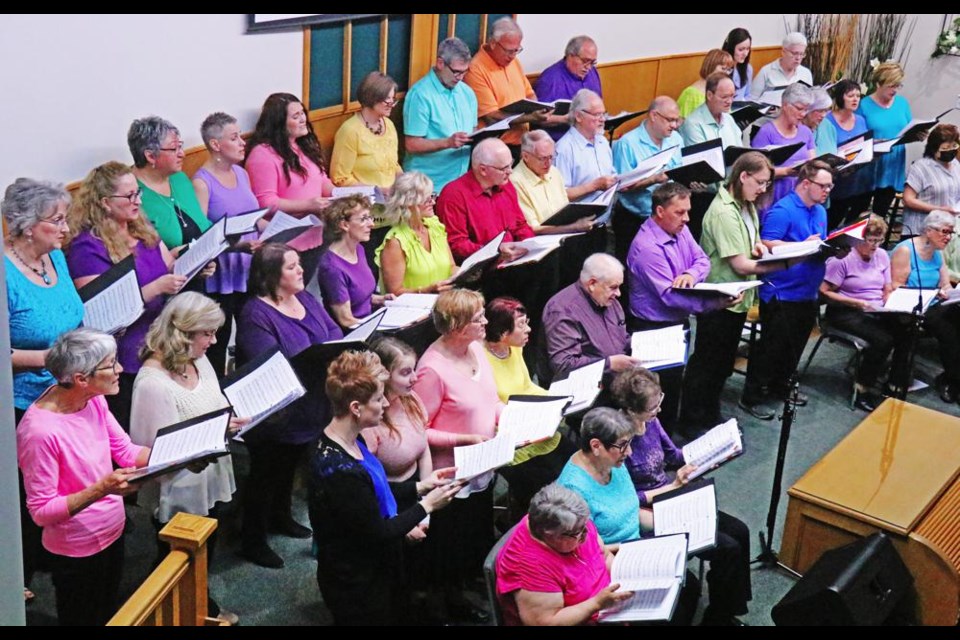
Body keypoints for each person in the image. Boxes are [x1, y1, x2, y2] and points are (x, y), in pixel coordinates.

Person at [309, 350, 461, 625]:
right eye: (379, 399)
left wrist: (421, 486)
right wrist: (427, 505)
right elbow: (379, 531)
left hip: (375, 570)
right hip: (356, 584)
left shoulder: (350, 442)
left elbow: (374, 493)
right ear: (356, 407)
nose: (384, 404)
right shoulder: (339, 471)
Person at [17, 329, 150, 626]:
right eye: (111, 364)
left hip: (112, 531)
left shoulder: (93, 400)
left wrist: (184, 451)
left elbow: (126, 451)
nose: (120, 370)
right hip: (76, 549)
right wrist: (103, 488)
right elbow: (41, 512)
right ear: (81, 378)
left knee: (108, 615)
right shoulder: (39, 432)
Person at [129, 292, 243, 625]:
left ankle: (196, 603)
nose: (214, 340)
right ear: (183, 333)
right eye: (207, 333)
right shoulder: (152, 384)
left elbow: (213, 404)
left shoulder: (199, 359)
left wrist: (228, 422)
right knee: (175, 557)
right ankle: (183, 610)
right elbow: (152, 455)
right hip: (178, 487)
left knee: (204, 548)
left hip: (209, 472)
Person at [612, 367, 752, 626]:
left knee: (740, 530)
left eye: (660, 401)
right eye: (652, 407)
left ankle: (729, 608)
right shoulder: (620, 441)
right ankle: (718, 618)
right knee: (727, 548)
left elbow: (674, 455)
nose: (658, 411)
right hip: (652, 511)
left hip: (674, 493)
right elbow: (632, 499)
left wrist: (713, 454)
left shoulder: (650, 422)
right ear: (631, 410)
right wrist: (674, 486)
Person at [235, 243, 343, 568]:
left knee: (291, 467)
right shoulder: (256, 312)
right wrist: (317, 354)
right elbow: (265, 361)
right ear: (271, 276)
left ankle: (280, 517)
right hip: (276, 411)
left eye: (299, 264)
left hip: (312, 400)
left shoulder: (304, 298)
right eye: (292, 266)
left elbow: (334, 329)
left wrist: (330, 348)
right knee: (266, 474)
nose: (301, 271)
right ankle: (252, 539)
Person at [3, 178, 84, 603]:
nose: (65, 227)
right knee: (27, 494)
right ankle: (17, 575)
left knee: (62, 484)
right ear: (27, 225)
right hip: (22, 402)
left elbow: (71, 318)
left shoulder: (56, 259)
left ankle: (53, 553)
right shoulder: (4, 273)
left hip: (65, 392)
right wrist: (54, 359)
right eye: (56, 220)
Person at [66, 161, 187, 430]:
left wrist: (191, 264)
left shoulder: (140, 228)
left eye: (138, 193)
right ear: (105, 202)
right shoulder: (87, 248)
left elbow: (167, 264)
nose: (137, 201)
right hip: (125, 356)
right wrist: (156, 287)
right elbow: (100, 312)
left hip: (160, 342)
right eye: (129, 196)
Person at [411, 289, 502, 622]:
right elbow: (419, 430)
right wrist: (467, 438)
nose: (486, 322)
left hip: (482, 464)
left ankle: (467, 584)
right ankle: (448, 601)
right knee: (450, 545)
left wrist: (508, 416)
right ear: (457, 326)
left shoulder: (476, 349)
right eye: (478, 318)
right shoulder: (431, 370)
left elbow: (488, 400)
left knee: (475, 535)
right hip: (451, 475)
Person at [681, 152, 784, 434]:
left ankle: (710, 413)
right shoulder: (724, 212)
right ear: (743, 176)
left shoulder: (745, 204)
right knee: (707, 362)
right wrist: (784, 263)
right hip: (719, 299)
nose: (763, 188)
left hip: (737, 298)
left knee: (722, 363)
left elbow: (750, 245)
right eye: (760, 182)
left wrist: (759, 248)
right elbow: (739, 265)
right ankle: (691, 419)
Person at [627, 182, 741, 434]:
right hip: (654, 328)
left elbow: (702, 260)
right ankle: (657, 449)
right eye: (680, 212)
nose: (687, 218)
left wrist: (690, 273)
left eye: (688, 211)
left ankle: (668, 439)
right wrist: (715, 303)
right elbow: (669, 296)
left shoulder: (679, 231)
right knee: (655, 394)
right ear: (659, 211)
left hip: (676, 323)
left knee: (674, 383)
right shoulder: (647, 248)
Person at [740, 161, 835, 420]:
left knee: (795, 345)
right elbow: (766, 244)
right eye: (823, 185)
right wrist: (801, 245)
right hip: (782, 291)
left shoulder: (820, 212)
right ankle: (753, 395)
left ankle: (781, 385)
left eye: (830, 185)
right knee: (771, 347)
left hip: (807, 291)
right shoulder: (783, 210)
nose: (828, 190)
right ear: (806, 183)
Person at [484, 297, 575, 520]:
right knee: (548, 487)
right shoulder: (482, 360)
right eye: (522, 325)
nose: (529, 330)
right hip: (510, 438)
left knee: (574, 460)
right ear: (503, 332)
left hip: (534, 424)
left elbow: (527, 386)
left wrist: (559, 400)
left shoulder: (514, 349)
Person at [495, 483, 633, 626]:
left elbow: (604, 555)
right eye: (578, 533)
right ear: (551, 535)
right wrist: (597, 604)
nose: (587, 533)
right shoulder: (528, 566)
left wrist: (627, 579)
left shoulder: (573, 525)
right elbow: (547, 622)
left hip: (613, 606)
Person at [192, 112, 263, 377]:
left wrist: (279, 229)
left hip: (249, 268)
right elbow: (202, 237)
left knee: (251, 335)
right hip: (222, 273)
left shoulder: (242, 174)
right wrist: (236, 247)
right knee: (218, 342)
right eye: (234, 138)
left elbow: (253, 218)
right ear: (215, 144)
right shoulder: (202, 182)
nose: (242, 142)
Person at [821, 216, 907, 410]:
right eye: (871, 240)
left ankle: (894, 382)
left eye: (879, 240)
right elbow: (824, 293)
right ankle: (862, 387)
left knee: (907, 328)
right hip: (845, 310)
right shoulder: (842, 259)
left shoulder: (883, 255)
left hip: (875, 307)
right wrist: (856, 302)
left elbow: (887, 286)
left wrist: (890, 300)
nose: (875, 246)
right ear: (858, 239)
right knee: (882, 339)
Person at [891, 210, 960, 402]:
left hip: (935, 303)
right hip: (913, 306)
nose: (948, 237)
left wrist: (948, 291)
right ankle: (953, 381)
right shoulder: (906, 250)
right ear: (929, 231)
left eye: (950, 233)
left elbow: (945, 284)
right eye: (944, 232)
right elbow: (896, 285)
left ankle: (951, 378)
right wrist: (931, 293)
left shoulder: (937, 253)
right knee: (947, 330)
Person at [538, 253, 638, 385]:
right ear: (592, 284)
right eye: (613, 287)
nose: (618, 294)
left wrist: (640, 345)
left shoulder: (609, 301)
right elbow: (562, 365)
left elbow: (621, 338)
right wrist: (608, 365)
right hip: (579, 388)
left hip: (613, 380)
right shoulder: (562, 310)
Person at [464, 17, 558, 153]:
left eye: (517, 50)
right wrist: (530, 117)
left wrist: (538, 108)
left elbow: (529, 93)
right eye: (509, 51)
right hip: (497, 148)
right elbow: (492, 116)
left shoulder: (514, 62)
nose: (513, 56)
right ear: (493, 43)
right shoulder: (476, 69)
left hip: (523, 142)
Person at [436, 137, 533, 264]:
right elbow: (456, 245)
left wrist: (530, 247)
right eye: (504, 168)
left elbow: (520, 226)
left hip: (513, 260)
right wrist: (495, 252)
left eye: (511, 164)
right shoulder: (454, 195)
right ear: (483, 170)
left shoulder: (506, 185)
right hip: (481, 267)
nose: (510, 171)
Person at [612, 96, 684, 263]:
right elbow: (621, 187)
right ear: (654, 116)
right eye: (670, 120)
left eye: (677, 120)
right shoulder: (627, 143)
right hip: (635, 219)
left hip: (667, 219)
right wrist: (653, 180)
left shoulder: (676, 139)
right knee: (631, 269)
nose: (674, 125)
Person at [556, 407, 643, 543]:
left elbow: (631, 514)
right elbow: (588, 549)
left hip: (637, 543)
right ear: (596, 446)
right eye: (623, 445)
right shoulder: (573, 489)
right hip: (611, 557)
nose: (629, 452)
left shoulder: (613, 461)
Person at [402, 37, 478, 191]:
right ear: (440, 63)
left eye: (465, 72)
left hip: (461, 180)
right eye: (456, 72)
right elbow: (412, 144)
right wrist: (448, 142)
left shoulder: (467, 92)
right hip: (429, 186)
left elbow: (474, 129)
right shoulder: (420, 95)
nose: (460, 78)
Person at [128, 116, 211, 251]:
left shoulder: (179, 178)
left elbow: (204, 224)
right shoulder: (132, 195)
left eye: (180, 147)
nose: (182, 154)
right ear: (150, 156)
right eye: (174, 149)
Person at [678, 72, 743, 241]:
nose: (730, 101)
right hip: (706, 196)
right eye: (724, 97)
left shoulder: (729, 119)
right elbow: (701, 164)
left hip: (730, 192)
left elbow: (740, 153)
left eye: (732, 96)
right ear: (709, 95)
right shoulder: (694, 123)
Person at [245, 92, 333, 217]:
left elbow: (323, 181)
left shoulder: (305, 145)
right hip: (288, 229)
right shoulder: (261, 155)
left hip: (318, 224)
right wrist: (307, 205)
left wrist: (342, 194)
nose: (303, 119)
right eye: (295, 117)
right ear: (279, 123)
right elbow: (265, 203)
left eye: (302, 113)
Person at [375, 171, 457, 295]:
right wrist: (426, 290)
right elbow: (394, 292)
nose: (433, 202)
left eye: (432, 196)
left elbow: (451, 267)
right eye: (426, 200)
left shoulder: (435, 226)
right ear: (409, 203)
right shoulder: (396, 242)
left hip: (445, 302)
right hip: (415, 309)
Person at [316, 194, 388, 328]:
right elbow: (346, 320)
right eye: (364, 219)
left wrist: (381, 299)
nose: (371, 224)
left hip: (370, 320)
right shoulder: (332, 268)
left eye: (370, 217)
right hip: (355, 333)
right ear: (344, 225)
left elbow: (359, 297)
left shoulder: (359, 249)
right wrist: (383, 327)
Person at [857, 62, 914, 218]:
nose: (895, 90)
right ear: (878, 83)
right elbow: (856, 136)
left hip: (893, 161)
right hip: (872, 161)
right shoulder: (864, 105)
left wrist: (918, 134)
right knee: (859, 210)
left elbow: (908, 127)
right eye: (891, 86)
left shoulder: (902, 103)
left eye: (898, 85)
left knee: (881, 211)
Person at [511, 130, 594, 234]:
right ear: (526, 156)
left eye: (551, 157)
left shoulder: (553, 172)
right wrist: (573, 227)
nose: (548, 163)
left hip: (565, 237)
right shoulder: (515, 181)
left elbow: (565, 210)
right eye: (543, 158)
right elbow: (532, 229)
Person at [331, 71, 403, 190]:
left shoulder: (389, 125)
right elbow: (340, 178)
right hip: (365, 201)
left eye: (393, 99)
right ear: (372, 98)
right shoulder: (350, 131)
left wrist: (406, 182)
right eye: (387, 99)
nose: (392, 105)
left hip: (392, 198)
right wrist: (378, 191)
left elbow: (393, 165)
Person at [751, 82, 816, 211]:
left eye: (806, 109)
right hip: (773, 196)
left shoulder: (806, 132)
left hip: (800, 197)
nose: (803, 114)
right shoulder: (766, 132)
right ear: (785, 106)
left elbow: (812, 161)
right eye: (799, 108)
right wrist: (786, 171)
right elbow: (755, 171)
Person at [534, 35, 603, 141]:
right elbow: (538, 119)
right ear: (570, 55)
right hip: (560, 142)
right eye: (585, 61)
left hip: (590, 138)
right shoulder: (550, 79)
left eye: (592, 62)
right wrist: (567, 119)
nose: (588, 67)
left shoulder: (593, 73)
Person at [554, 89, 619, 202]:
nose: (603, 120)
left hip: (607, 215)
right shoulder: (564, 149)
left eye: (604, 114)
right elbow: (560, 195)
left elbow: (611, 175)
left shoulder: (602, 141)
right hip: (581, 218)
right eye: (597, 114)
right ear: (578, 116)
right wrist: (594, 186)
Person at [825, 79, 872, 229]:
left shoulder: (860, 120)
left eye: (858, 96)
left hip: (856, 179)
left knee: (851, 222)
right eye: (850, 95)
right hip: (836, 179)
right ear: (840, 97)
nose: (855, 99)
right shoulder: (827, 120)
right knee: (831, 221)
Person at [902, 123, 960, 233]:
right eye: (946, 147)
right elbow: (908, 200)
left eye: (954, 146)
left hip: (948, 229)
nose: (951, 150)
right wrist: (939, 209)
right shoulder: (921, 167)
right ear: (934, 148)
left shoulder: (956, 165)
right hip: (921, 229)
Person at [750, 32, 813, 100]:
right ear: (783, 52)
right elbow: (752, 100)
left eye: (801, 54)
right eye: (795, 53)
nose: (798, 58)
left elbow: (809, 101)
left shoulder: (806, 73)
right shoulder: (766, 72)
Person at [676, 49, 734, 119]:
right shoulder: (691, 94)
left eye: (729, 70)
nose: (726, 74)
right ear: (711, 66)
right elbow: (682, 124)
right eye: (723, 69)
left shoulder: (722, 90)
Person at [804, 87, 838, 156]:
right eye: (820, 110)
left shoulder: (828, 125)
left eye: (826, 110)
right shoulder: (796, 129)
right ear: (808, 109)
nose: (824, 115)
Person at [722, 28, 753, 102]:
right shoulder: (722, 68)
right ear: (731, 48)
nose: (745, 54)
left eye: (748, 49)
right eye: (741, 49)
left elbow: (747, 95)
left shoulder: (748, 69)